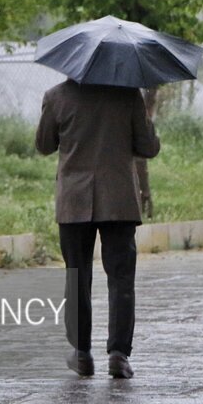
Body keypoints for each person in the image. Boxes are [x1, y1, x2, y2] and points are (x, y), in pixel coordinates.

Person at [35, 79, 160, 379]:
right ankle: (118, 355)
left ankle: (81, 353)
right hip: (118, 201)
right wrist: (147, 124)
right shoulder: (129, 94)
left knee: (77, 276)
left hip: (74, 201)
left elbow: (44, 145)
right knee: (121, 278)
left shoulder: (56, 96)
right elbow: (148, 147)